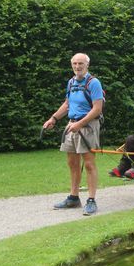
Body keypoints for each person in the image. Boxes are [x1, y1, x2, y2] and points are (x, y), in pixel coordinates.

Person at [43, 53, 104, 216]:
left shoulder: (94, 83)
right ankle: (74, 198)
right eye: (74, 64)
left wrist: (80, 124)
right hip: (72, 125)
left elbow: (97, 109)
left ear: (87, 65)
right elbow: (68, 104)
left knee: (89, 164)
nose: (77, 67)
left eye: (80, 64)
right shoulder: (71, 82)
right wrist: (53, 118)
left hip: (87, 127)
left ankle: (91, 200)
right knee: (72, 163)